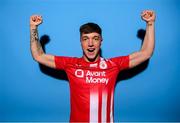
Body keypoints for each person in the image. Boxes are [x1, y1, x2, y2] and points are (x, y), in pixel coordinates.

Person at [30, 10, 155, 122]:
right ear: (81, 42)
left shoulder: (113, 65)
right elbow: (39, 56)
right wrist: (33, 28)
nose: (90, 43)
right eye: (85, 39)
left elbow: (146, 53)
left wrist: (150, 24)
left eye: (95, 38)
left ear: (101, 41)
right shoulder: (71, 65)